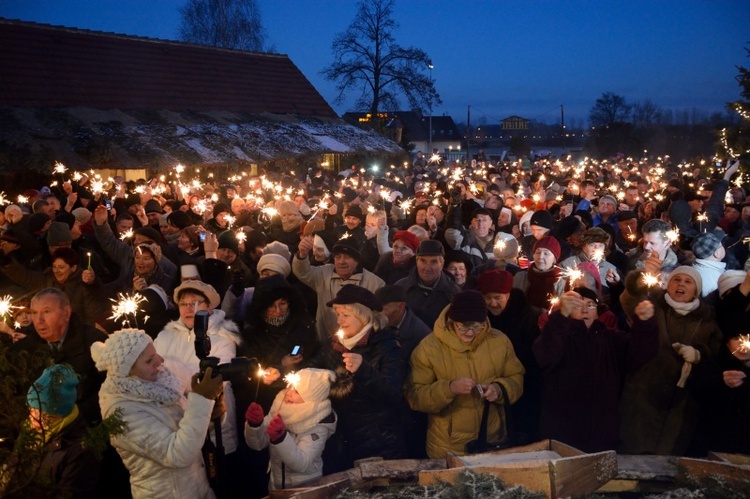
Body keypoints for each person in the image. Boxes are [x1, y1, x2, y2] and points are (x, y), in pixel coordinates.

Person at [92, 329, 224, 499]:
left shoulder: (160, 385)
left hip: (194, 486)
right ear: (127, 372)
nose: (160, 361)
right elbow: (177, 454)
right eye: (149, 360)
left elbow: (186, 428)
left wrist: (211, 413)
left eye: (155, 354)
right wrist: (201, 400)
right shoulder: (122, 412)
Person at [534, 288, 658, 452]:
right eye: (578, 305)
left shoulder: (612, 339)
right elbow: (545, 355)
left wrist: (644, 324)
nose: (585, 310)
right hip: (562, 430)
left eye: (590, 305)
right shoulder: (559, 335)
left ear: (598, 312)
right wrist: (561, 317)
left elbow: (639, 355)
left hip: (602, 431)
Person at [406, 290, 525, 458]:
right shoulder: (428, 348)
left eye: (477, 327)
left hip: (492, 440)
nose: (470, 333)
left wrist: (499, 389)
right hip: (447, 446)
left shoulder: (500, 341)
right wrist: (449, 389)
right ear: (451, 322)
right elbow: (415, 396)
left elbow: (516, 378)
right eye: (463, 327)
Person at [619, 266, 723, 455]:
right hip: (644, 390)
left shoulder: (707, 318)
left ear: (696, 290)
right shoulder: (653, 304)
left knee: (668, 455)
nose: (681, 284)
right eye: (677, 279)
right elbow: (629, 301)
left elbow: (715, 352)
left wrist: (699, 354)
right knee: (633, 450)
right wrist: (636, 283)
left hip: (681, 400)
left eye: (688, 281)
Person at [310, 285, 407, 472]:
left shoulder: (387, 345)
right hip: (341, 440)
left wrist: (364, 370)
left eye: (345, 315)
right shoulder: (335, 343)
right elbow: (313, 368)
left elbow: (393, 394)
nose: (339, 321)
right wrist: (287, 370)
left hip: (377, 443)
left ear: (363, 316)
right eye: (338, 314)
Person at [153, 280, 241, 459]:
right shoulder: (164, 336)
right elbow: (150, 376)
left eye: (195, 303)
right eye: (183, 304)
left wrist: (165, 365)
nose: (188, 308)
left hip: (214, 429)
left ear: (209, 306)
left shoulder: (224, 337)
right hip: (175, 428)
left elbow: (210, 381)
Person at [11, 287, 108, 425]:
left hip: (85, 429)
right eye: (34, 313)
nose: (39, 320)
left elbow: (109, 389)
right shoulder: (21, 351)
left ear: (66, 312)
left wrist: (77, 415)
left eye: (46, 311)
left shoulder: (95, 343)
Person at [244, 368, 337, 490]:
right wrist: (255, 426)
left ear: (309, 400)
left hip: (305, 489)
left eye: (297, 391)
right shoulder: (281, 408)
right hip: (276, 486)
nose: (288, 393)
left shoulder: (318, 426)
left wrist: (281, 439)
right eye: (290, 386)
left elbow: (302, 464)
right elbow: (258, 444)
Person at [24, 364, 100, 498]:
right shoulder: (30, 428)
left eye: (43, 412)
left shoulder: (81, 450)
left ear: (60, 412)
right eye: (31, 409)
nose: (33, 417)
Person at [293, 235, 384, 342]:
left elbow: (379, 317)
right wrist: (302, 254)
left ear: (357, 260)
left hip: (358, 345)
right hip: (325, 341)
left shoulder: (375, 283)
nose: (341, 261)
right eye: (337, 256)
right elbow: (302, 272)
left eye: (347, 257)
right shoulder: (323, 273)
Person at [394, 240, 461, 329]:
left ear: (442, 264)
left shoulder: (454, 293)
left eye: (433, 262)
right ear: (417, 261)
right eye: (423, 261)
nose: (427, 268)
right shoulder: (400, 287)